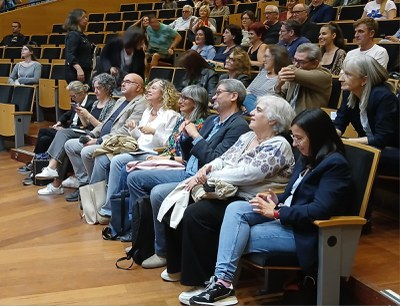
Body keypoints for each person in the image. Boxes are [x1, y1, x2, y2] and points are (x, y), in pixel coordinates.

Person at [189, 108, 352, 306]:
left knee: (236, 235)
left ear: (316, 136)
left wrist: (276, 212)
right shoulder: (309, 156)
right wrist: (277, 198)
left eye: (299, 138)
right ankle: (222, 283)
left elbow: (320, 209)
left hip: (306, 232)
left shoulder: (335, 165)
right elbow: (295, 193)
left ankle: (222, 284)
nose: (294, 143)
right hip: (287, 217)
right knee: (236, 208)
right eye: (293, 137)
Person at [166, 95, 295, 305]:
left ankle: (204, 280)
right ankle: (183, 269)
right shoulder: (248, 137)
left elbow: (248, 173)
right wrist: (208, 167)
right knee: (185, 202)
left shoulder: (279, 145)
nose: (252, 112)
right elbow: (225, 158)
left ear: (273, 120)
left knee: (198, 213)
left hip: (254, 202)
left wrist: (210, 176)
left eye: (259, 110)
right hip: (233, 194)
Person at [124, 79, 250, 268]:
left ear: (233, 96)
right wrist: (184, 137)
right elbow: (187, 152)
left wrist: (194, 135)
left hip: (201, 177)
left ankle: (163, 251)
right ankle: (143, 238)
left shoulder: (238, 126)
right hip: (187, 169)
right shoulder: (212, 120)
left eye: (219, 93)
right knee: (134, 177)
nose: (214, 96)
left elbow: (214, 159)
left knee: (158, 192)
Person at [93, 79, 180, 221]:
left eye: (154, 88)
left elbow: (169, 143)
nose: (149, 90)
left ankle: (109, 209)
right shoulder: (147, 111)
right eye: (150, 87)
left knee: (117, 161)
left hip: (155, 154)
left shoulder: (171, 115)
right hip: (138, 149)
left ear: (164, 93)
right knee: (101, 157)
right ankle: (100, 201)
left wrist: (153, 132)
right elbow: (140, 137)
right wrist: (133, 129)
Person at [64, 73, 147, 201]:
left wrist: (98, 140)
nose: (123, 84)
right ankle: (84, 184)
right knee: (70, 145)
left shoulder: (141, 103)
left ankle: (93, 191)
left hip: (116, 142)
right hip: (101, 138)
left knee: (86, 151)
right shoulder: (120, 100)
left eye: (128, 82)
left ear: (138, 87)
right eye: (123, 81)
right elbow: (105, 123)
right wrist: (92, 134)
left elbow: (125, 130)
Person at [36, 73, 117, 195]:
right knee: (62, 141)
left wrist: (88, 115)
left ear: (107, 88)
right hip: (86, 131)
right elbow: (85, 124)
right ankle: (55, 180)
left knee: (64, 132)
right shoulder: (95, 103)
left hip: (94, 135)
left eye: (98, 88)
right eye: (94, 88)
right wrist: (81, 114)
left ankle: (52, 170)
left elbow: (104, 128)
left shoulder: (112, 104)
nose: (95, 91)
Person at [20, 81, 93, 186]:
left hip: (77, 131)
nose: (72, 98)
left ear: (81, 93)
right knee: (44, 137)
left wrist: (64, 128)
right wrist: (59, 123)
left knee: (45, 133)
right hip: (68, 129)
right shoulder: (76, 103)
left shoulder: (90, 103)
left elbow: (87, 124)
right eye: (70, 96)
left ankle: (37, 164)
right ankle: (36, 165)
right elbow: (67, 115)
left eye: (73, 96)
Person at [335, 55, 399, 149]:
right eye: (342, 73)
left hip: (390, 149)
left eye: (348, 74)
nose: (340, 79)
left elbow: (382, 138)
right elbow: (340, 123)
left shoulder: (384, 97)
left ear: (364, 80)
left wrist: (346, 141)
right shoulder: (348, 92)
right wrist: (332, 136)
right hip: (367, 147)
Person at [274, 43, 332, 114]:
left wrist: (288, 68)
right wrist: (278, 87)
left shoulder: (324, 75)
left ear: (315, 63)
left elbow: (290, 70)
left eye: (300, 62)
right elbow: (280, 97)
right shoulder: (295, 73)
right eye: (294, 60)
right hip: (287, 117)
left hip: (306, 121)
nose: (295, 64)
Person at [244, 44, 291, 113]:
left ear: (276, 59)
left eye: (266, 57)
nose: (263, 60)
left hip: (266, 111)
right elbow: (248, 91)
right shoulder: (263, 72)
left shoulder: (283, 77)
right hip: (248, 106)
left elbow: (272, 101)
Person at [63, 8, 93, 84]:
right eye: (83, 17)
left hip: (84, 69)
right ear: (76, 19)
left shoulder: (82, 36)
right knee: (77, 94)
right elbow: (69, 54)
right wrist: (78, 69)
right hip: (76, 71)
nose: (86, 19)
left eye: (86, 17)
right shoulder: (73, 35)